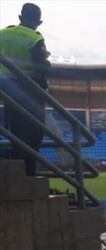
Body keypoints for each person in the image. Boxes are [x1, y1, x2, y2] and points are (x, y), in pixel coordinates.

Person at [0, 3, 51, 176]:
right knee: (33, 134)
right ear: (39, 21)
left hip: (7, 90)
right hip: (30, 91)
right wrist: (47, 62)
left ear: (20, 17)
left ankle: (17, 174)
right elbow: (41, 67)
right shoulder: (35, 38)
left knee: (15, 133)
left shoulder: (3, 34)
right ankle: (28, 174)